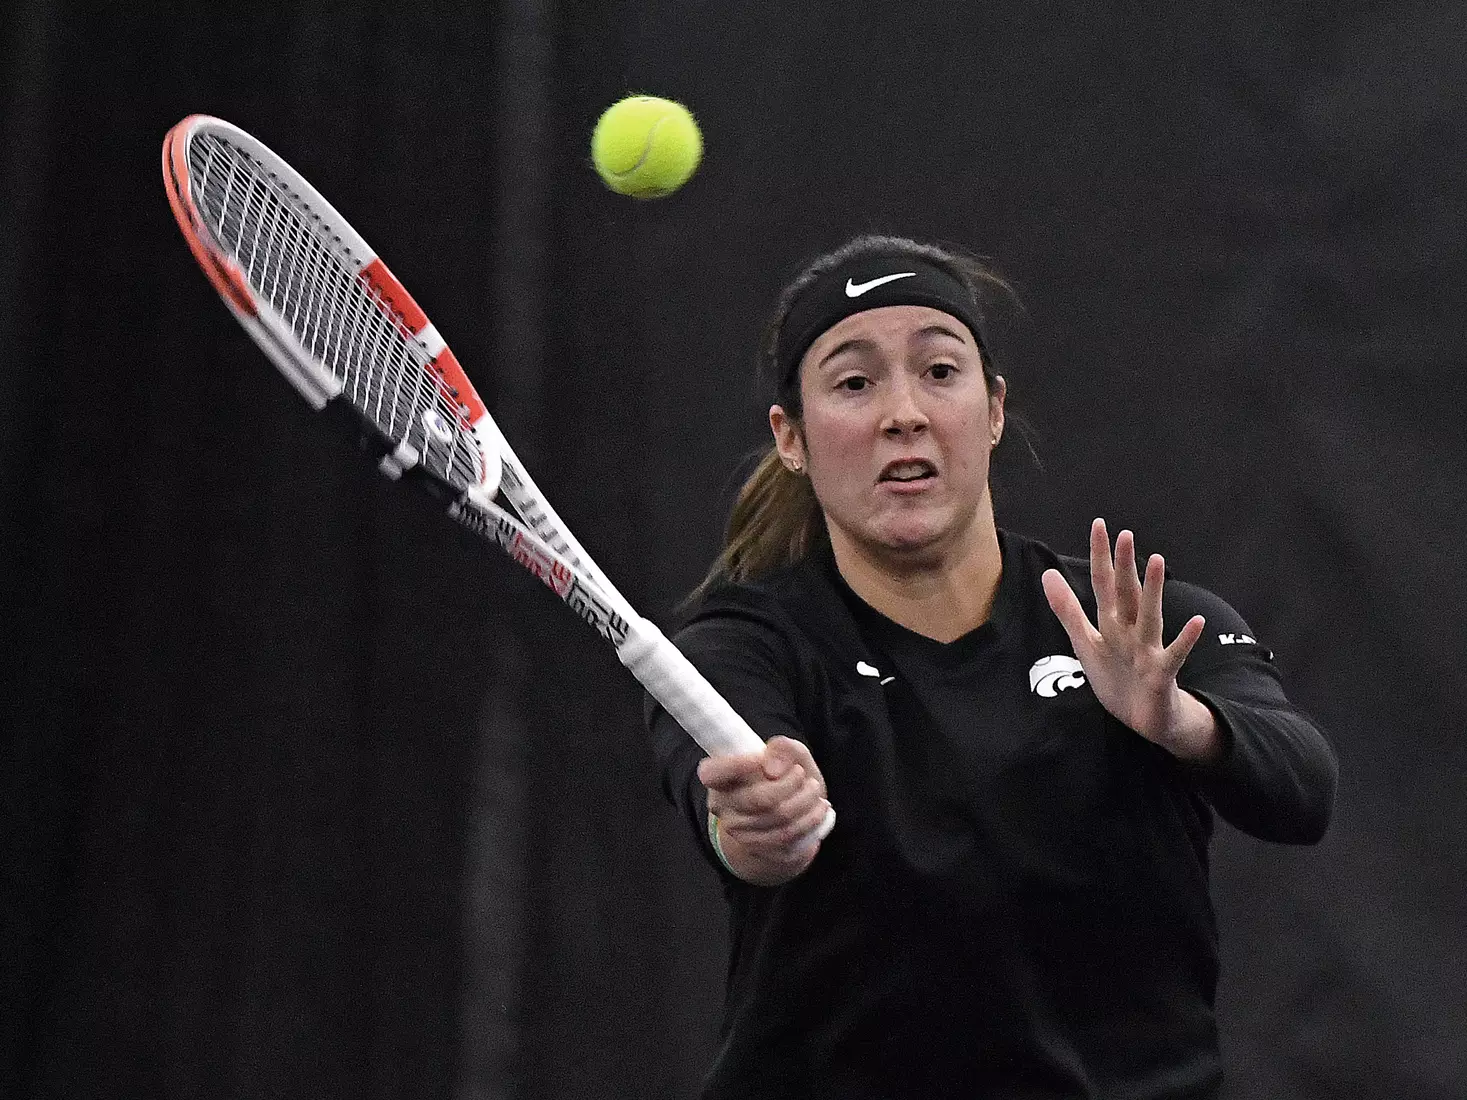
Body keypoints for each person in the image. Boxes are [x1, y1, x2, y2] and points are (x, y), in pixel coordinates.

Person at [644, 234, 1338, 1100]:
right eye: (854, 383)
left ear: (994, 410)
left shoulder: (1137, 625)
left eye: (939, 371)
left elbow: (1302, 788)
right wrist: (755, 829)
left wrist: (1177, 724)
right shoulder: (745, 644)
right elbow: (724, 788)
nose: (904, 412)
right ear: (790, 437)